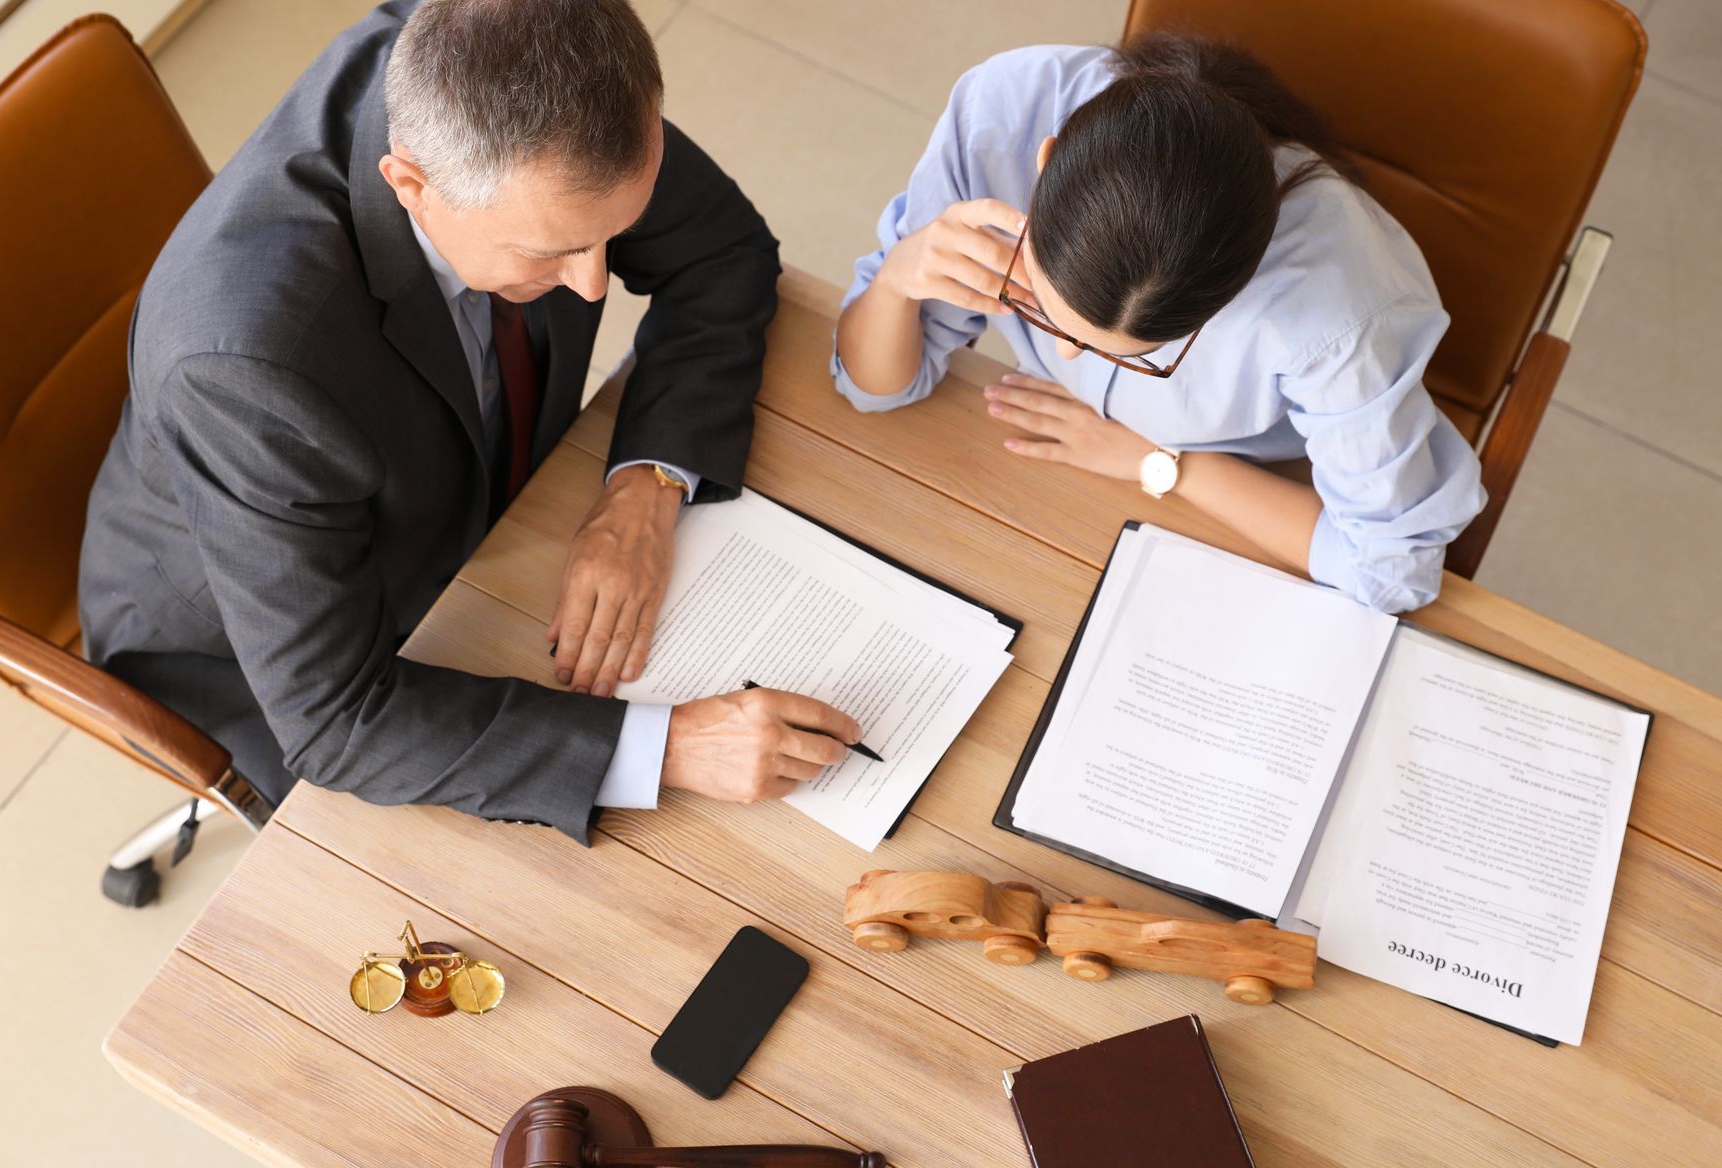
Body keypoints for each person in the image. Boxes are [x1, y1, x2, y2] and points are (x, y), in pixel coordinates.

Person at [80, 0, 861, 838]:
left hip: (478, 500)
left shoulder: (514, 57)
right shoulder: (245, 371)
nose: (595, 285)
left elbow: (721, 249)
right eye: (548, 253)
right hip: (255, 651)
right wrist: (669, 748)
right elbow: (338, 724)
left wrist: (649, 480)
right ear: (412, 185)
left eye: (615, 235)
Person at [834, 36, 1486, 613]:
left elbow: (1392, 573)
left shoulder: (1335, 312)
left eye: (1137, 356)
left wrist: (1163, 462)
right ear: (1047, 159)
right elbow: (876, 388)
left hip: (1258, 484)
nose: (1063, 359)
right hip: (1059, 479)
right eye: (1043, 312)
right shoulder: (1006, 111)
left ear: (1233, 291)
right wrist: (898, 276)